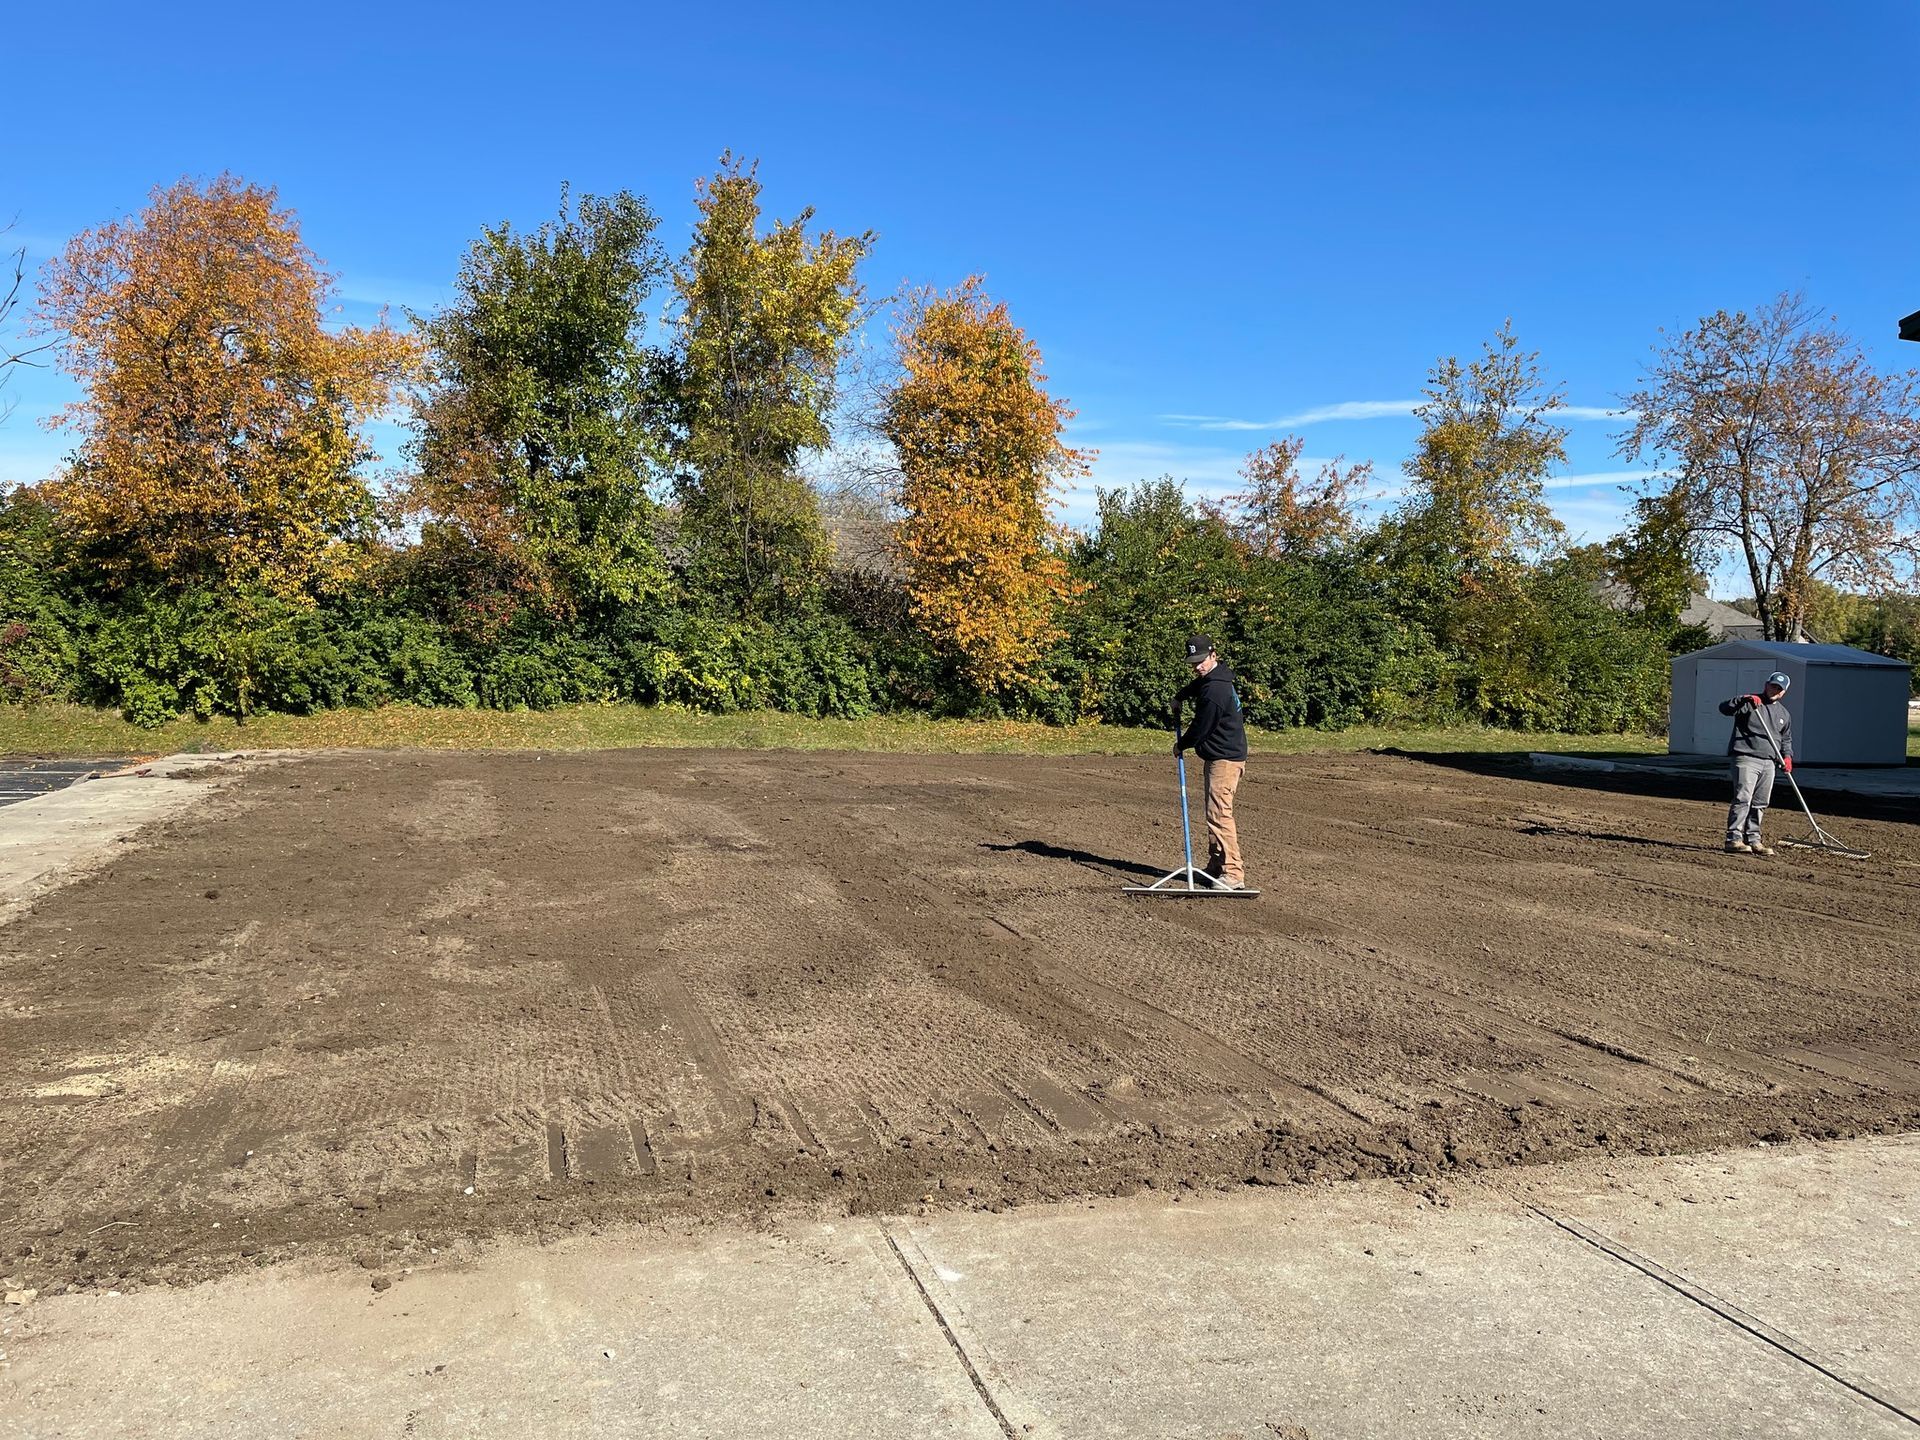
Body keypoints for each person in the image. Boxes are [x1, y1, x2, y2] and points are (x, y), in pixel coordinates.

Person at [1172, 633, 1250, 888]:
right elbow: (1198, 686)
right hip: (1219, 756)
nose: (1197, 667)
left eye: (1201, 661)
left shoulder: (1215, 690)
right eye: (1193, 663)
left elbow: (1200, 728)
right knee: (1214, 812)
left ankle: (1233, 873)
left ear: (1213, 655)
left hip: (1225, 760)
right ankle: (1216, 865)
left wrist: (1181, 744)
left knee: (1219, 814)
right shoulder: (1215, 678)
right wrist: (1181, 695)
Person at [1719, 671, 1794, 855]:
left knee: (1761, 802)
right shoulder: (1750, 703)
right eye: (1773, 685)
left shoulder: (1783, 714)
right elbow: (1724, 708)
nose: (1775, 690)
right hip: (1746, 757)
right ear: (1766, 684)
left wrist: (1787, 757)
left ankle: (1754, 840)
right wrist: (1743, 699)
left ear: (1783, 692)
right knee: (1743, 798)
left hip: (1769, 762)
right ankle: (1734, 839)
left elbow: (1785, 739)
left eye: (1779, 689)